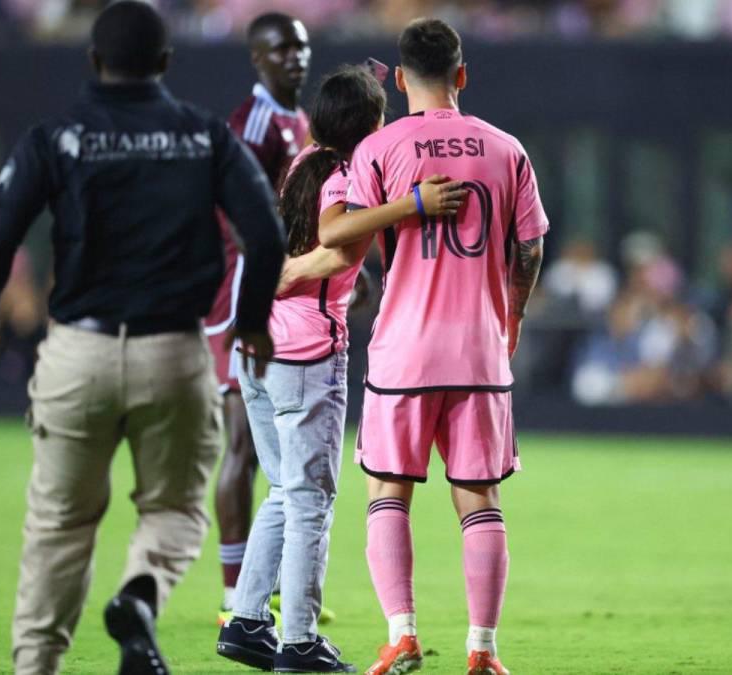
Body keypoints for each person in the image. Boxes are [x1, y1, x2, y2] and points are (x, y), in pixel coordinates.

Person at [0, 3, 286, 674]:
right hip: (173, 352)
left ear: (93, 61)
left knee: (59, 524)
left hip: (79, 350)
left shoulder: (57, 136)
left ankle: (35, 665)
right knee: (174, 510)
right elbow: (266, 233)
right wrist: (251, 322)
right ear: (165, 62)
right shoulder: (203, 136)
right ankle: (139, 595)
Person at [215, 64, 464, 673]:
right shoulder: (348, 174)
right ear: (369, 125)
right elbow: (336, 246)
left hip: (258, 346)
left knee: (283, 491)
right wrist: (414, 203)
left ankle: (246, 620)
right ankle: (299, 639)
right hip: (304, 354)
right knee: (310, 501)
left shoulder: (306, 159)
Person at [319, 19, 548, 675]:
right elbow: (530, 247)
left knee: (388, 490)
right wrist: (514, 314)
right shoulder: (506, 148)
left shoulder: (378, 149)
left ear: (398, 78)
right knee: (480, 498)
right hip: (480, 349)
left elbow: (342, 236)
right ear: (462, 74)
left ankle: (403, 635)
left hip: (405, 350)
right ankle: (484, 649)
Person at [206, 11, 313, 627]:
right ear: (257, 58)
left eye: (300, 46)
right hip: (240, 297)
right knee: (244, 445)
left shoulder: (296, 120)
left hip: (276, 291)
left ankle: (257, 590)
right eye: (281, 49)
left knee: (274, 450)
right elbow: (243, 223)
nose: (294, 57)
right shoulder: (251, 124)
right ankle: (234, 596)